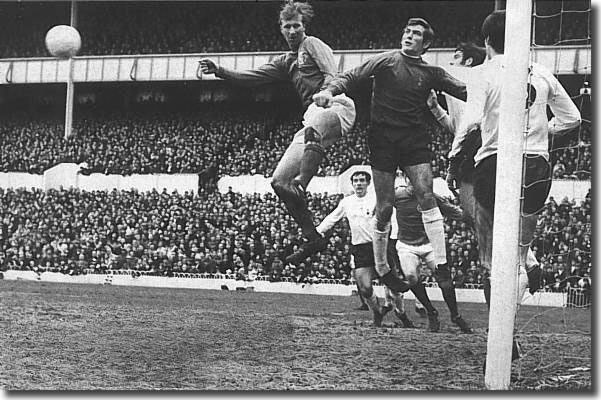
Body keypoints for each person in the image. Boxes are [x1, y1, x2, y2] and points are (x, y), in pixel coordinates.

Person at [457, 10, 581, 365]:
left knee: (491, 257)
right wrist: (543, 132)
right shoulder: (541, 71)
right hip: (537, 163)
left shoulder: (484, 72)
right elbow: (571, 118)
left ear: (486, 42)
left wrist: (455, 153)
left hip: (495, 161)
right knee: (519, 257)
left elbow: (473, 118)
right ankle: (510, 322)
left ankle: (500, 341)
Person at [313, 18, 466, 295]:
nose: (409, 36)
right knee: (384, 207)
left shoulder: (432, 72)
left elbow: (465, 90)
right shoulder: (386, 60)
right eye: (407, 31)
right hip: (383, 139)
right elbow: (351, 76)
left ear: (426, 43)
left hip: (413, 139)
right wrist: (329, 91)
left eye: (416, 34)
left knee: (426, 194)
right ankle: (383, 268)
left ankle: (441, 264)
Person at [200, 1, 356, 265]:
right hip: (311, 116)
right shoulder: (286, 61)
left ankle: (302, 184)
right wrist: (220, 71)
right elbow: (253, 77)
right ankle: (313, 236)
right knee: (279, 182)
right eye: (287, 26)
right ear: (281, 29)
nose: (292, 30)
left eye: (297, 25)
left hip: (336, 106)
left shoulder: (313, 45)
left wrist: (327, 92)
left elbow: (332, 73)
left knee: (312, 134)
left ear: (304, 26)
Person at [428, 41, 543, 299]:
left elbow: (469, 125)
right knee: (475, 216)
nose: (450, 62)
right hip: (469, 146)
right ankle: (528, 262)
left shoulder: (468, 76)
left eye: (455, 56)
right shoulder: (458, 89)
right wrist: (435, 107)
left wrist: (454, 160)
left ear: (468, 61)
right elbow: (455, 125)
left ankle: (515, 265)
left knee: (481, 215)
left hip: (477, 147)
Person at [315, 171, 415, 328]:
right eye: (355, 181)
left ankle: (401, 313)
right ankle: (377, 311)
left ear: (368, 183)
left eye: (362, 180)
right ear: (352, 184)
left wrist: (394, 237)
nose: (358, 183)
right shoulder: (346, 202)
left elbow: (392, 215)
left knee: (393, 286)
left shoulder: (376, 199)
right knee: (365, 288)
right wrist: (317, 231)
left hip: (379, 246)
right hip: (360, 249)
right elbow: (332, 218)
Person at [393, 174, 473, 333]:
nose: (413, 185)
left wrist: (475, 219)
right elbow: (381, 206)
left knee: (444, 280)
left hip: (430, 245)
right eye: (410, 180)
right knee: (410, 276)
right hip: (407, 245)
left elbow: (456, 212)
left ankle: (455, 315)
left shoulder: (431, 197)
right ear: (406, 181)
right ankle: (431, 311)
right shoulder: (397, 196)